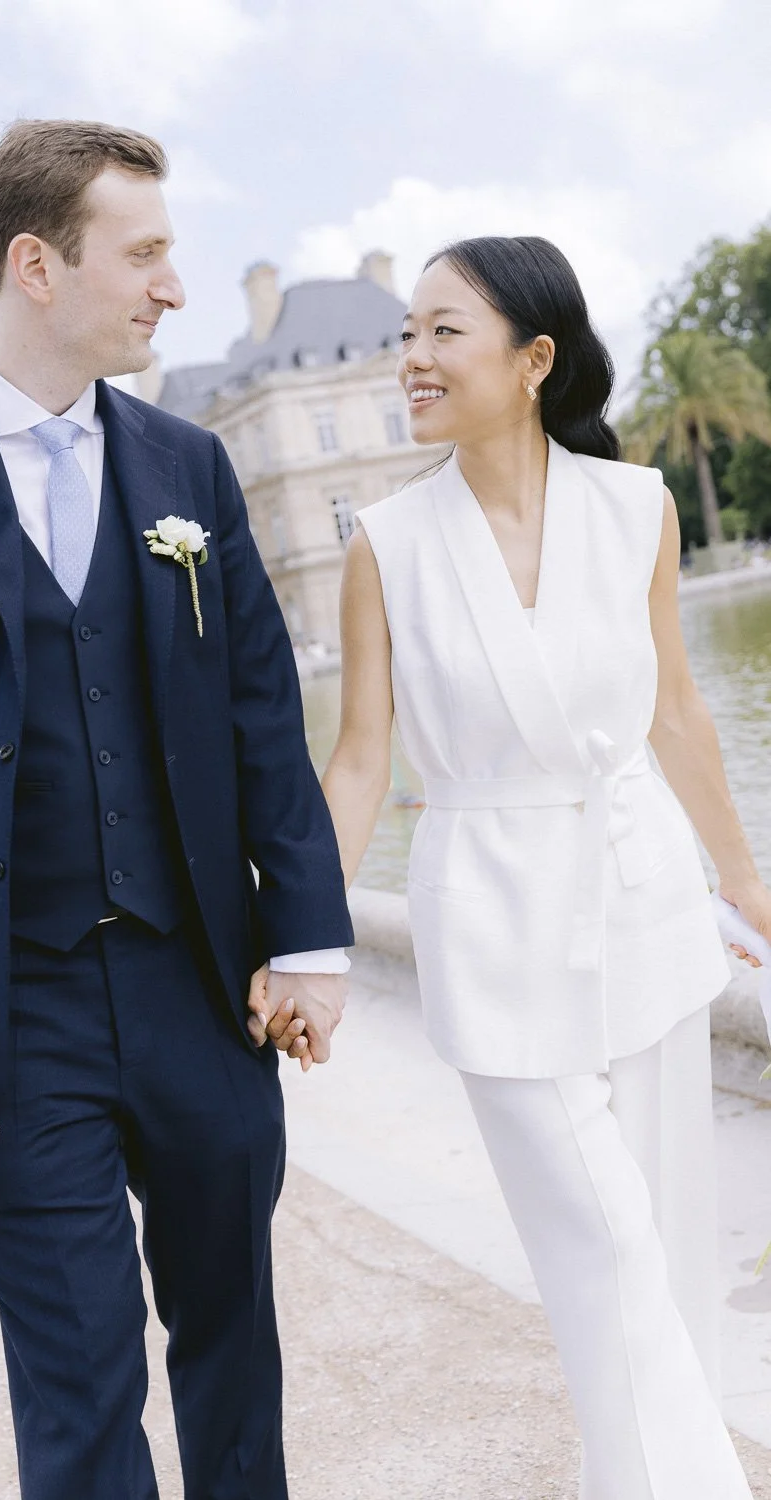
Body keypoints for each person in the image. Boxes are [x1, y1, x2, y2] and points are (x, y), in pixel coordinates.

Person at [0, 118, 352, 1500]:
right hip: (2, 1014)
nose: (173, 286)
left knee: (233, 1343)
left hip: (200, 993)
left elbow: (261, 715)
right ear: (36, 265)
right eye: (145, 253)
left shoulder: (186, 468)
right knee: (81, 1369)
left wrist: (317, 940)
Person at [304, 235, 771, 1498]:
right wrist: (303, 940)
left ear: (533, 358)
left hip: (647, 902)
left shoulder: (638, 508)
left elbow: (676, 710)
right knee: (602, 1241)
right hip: (491, 923)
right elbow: (357, 760)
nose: (409, 357)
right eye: (407, 332)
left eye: (442, 331)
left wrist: (744, 880)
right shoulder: (385, 543)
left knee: (663, 1245)